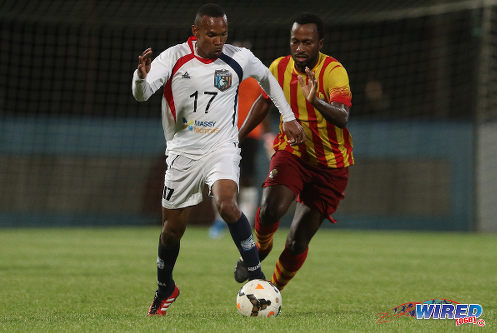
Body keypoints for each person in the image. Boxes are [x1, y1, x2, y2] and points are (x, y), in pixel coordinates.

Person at [132, 3, 304, 316]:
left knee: (227, 202)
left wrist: (288, 116)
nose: (219, 40)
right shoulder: (173, 57)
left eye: (223, 34)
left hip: (222, 147)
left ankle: (256, 277)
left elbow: (268, 80)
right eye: (212, 34)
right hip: (183, 153)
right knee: (171, 230)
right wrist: (140, 78)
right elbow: (143, 94)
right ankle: (165, 287)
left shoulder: (239, 58)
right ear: (195, 31)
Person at [233, 13, 354, 291]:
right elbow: (265, 103)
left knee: (298, 240)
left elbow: (343, 116)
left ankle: (271, 290)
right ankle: (260, 248)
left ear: (320, 43)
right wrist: (237, 137)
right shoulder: (278, 68)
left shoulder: (334, 71)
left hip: (331, 165)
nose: (299, 48)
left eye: (307, 42)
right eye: (295, 41)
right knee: (272, 207)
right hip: (293, 152)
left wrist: (316, 100)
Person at [208, 72, 274, 239]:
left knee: (247, 178)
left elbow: (264, 106)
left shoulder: (257, 80)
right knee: (221, 176)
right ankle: (220, 221)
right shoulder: (221, 77)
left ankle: (245, 221)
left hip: (251, 134)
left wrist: (268, 135)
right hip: (225, 133)